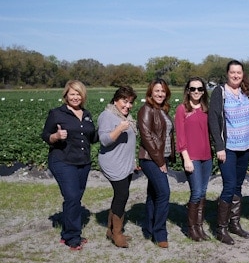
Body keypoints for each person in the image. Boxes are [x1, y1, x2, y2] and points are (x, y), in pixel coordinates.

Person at [41, 80, 98, 250]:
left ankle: (67, 232)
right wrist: (56, 136)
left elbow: (92, 138)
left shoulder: (86, 114)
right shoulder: (57, 114)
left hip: (83, 162)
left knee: (74, 198)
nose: (75, 97)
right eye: (72, 94)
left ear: (83, 96)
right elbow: (45, 135)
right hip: (63, 160)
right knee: (72, 197)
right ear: (66, 95)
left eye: (78, 94)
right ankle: (73, 238)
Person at [209, 60, 249, 245]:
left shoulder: (246, 93)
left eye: (239, 72)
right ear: (227, 74)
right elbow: (214, 120)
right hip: (228, 148)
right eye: (232, 72)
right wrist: (219, 146)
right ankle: (221, 229)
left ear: (243, 74)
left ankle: (235, 223)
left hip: (245, 146)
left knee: (237, 186)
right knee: (229, 186)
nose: (236, 75)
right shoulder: (220, 92)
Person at [98, 86, 138, 248]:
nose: (128, 105)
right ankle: (117, 233)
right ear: (115, 100)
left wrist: (133, 160)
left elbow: (129, 142)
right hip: (113, 163)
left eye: (130, 102)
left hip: (125, 163)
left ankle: (111, 230)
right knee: (122, 195)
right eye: (124, 101)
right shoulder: (107, 115)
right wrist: (119, 128)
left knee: (120, 196)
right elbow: (104, 140)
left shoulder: (124, 116)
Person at [138, 79, 175, 249]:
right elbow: (146, 137)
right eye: (157, 91)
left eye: (163, 91)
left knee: (154, 194)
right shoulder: (146, 109)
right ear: (150, 92)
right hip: (150, 159)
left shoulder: (163, 110)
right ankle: (160, 233)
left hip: (162, 157)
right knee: (164, 193)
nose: (160, 94)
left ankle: (149, 228)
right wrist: (160, 162)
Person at [175, 77, 212, 242]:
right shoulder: (182, 109)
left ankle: (199, 226)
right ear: (188, 91)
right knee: (196, 192)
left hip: (207, 157)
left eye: (199, 89)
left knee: (203, 192)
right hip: (192, 157)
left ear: (203, 91)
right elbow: (180, 136)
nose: (196, 92)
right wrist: (186, 158)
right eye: (192, 89)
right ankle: (191, 228)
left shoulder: (206, 109)